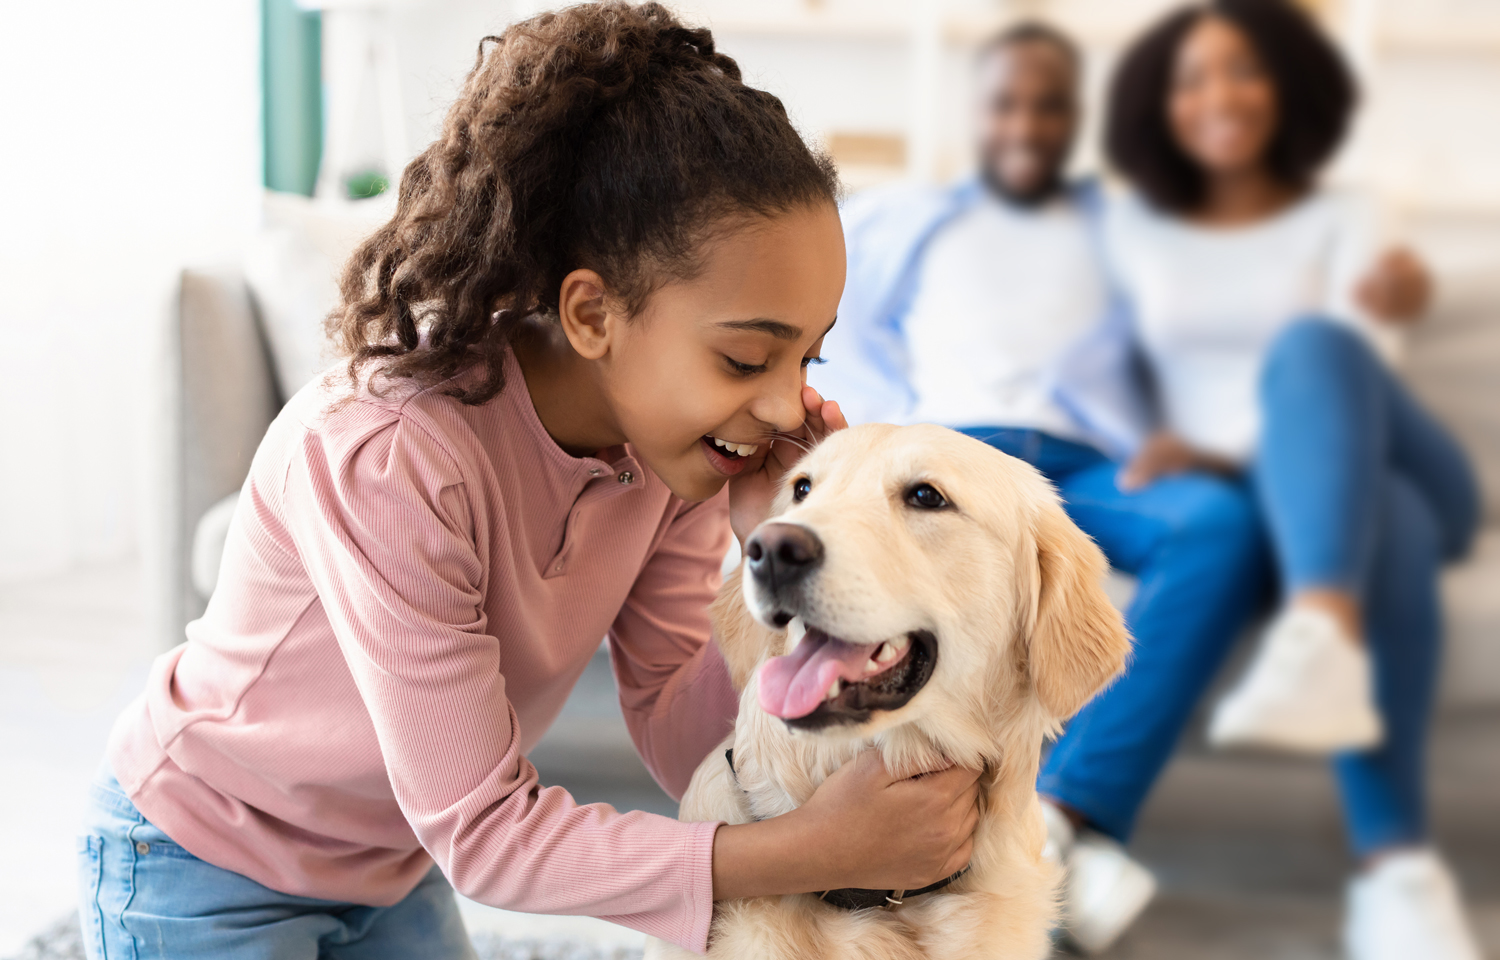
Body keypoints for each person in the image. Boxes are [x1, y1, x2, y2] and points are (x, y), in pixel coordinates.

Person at [78, 6, 986, 958]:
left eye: (807, 358)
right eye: (747, 358)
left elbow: (683, 743)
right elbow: (485, 835)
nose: (783, 406)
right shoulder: (391, 455)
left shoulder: (670, 458)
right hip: (203, 857)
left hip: (389, 862)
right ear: (592, 314)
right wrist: (804, 853)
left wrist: (779, 565)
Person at [815, 23, 1271, 954]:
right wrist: (876, 430)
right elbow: (831, 322)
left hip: (1085, 461)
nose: (1025, 122)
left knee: (1219, 525)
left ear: (1073, 121)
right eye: (1007, 104)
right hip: (959, 449)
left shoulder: (1124, 229)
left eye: (1047, 106)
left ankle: (1062, 814)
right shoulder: (905, 219)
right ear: (979, 118)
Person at [1100, 2, 1483, 957]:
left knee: (1318, 349)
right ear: (1161, 102)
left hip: (1388, 456)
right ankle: (1399, 874)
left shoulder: (1349, 214)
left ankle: (1318, 626)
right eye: (1191, 78)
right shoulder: (1137, 229)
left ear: (1287, 83)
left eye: (1242, 70)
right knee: (1383, 523)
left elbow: (1356, 377)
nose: (1216, 96)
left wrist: (1222, 453)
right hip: (1331, 516)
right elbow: (1127, 387)